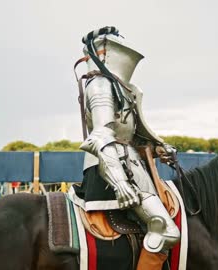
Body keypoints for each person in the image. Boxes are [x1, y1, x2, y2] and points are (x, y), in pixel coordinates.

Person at [72, 27, 180, 269]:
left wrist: (161, 147)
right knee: (166, 232)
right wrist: (120, 182)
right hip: (110, 168)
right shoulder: (99, 85)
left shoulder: (128, 89)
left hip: (133, 164)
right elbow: (100, 136)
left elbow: (137, 132)